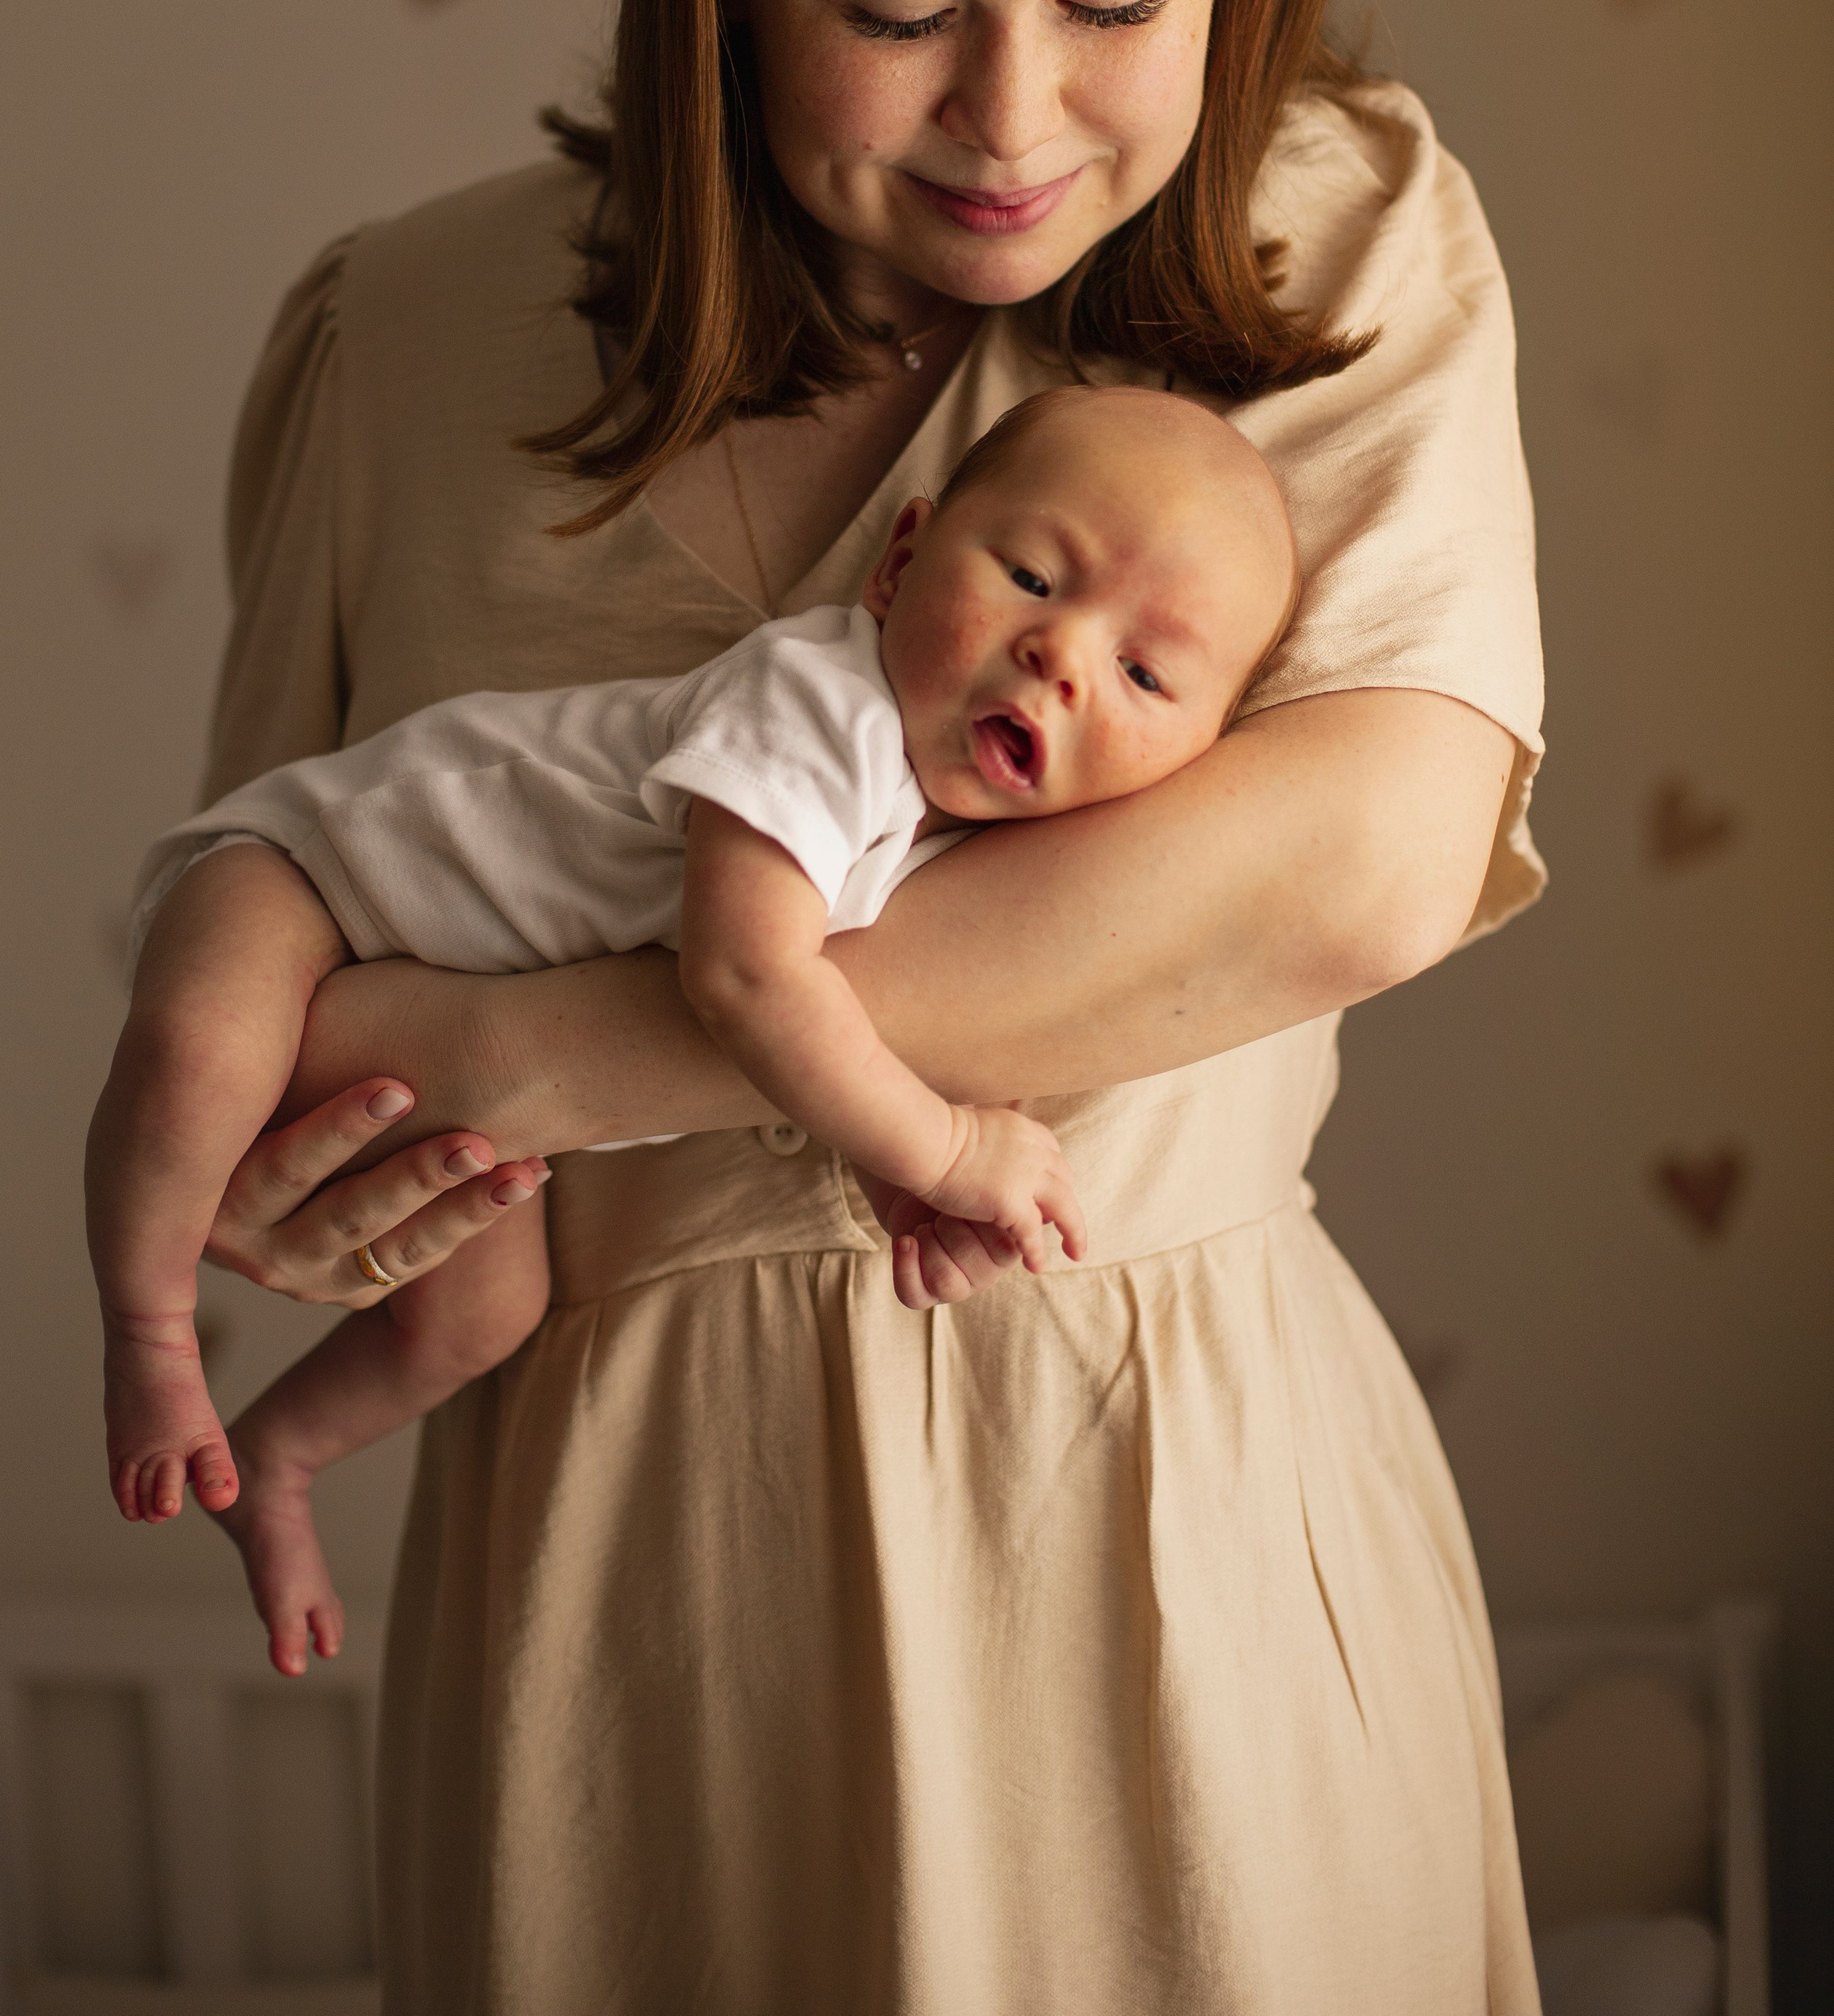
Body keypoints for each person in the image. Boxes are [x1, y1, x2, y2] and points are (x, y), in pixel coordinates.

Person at [151, 0, 1546, 2011]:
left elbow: (1361, 862)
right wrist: (297, 1146)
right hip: (624, 1608)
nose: (1014, 123)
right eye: (893, 13)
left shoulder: (1324, 243)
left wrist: (551, 1052)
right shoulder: (402, 344)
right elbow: (274, 1020)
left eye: (1119, 6)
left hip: (1160, 1543)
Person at [94, 389, 1296, 1675]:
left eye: (1145, 672)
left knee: (474, 1323)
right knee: (203, 1057)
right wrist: (941, 1146)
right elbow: (744, 980)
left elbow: (807, 1039)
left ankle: (280, 1455)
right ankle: (147, 1334)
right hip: (307, 878)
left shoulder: (952, 832)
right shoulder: (823, 710)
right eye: (1031, 575)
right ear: (901, 561)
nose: (1065, 653)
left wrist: (886, 1175)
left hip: (423, 988)